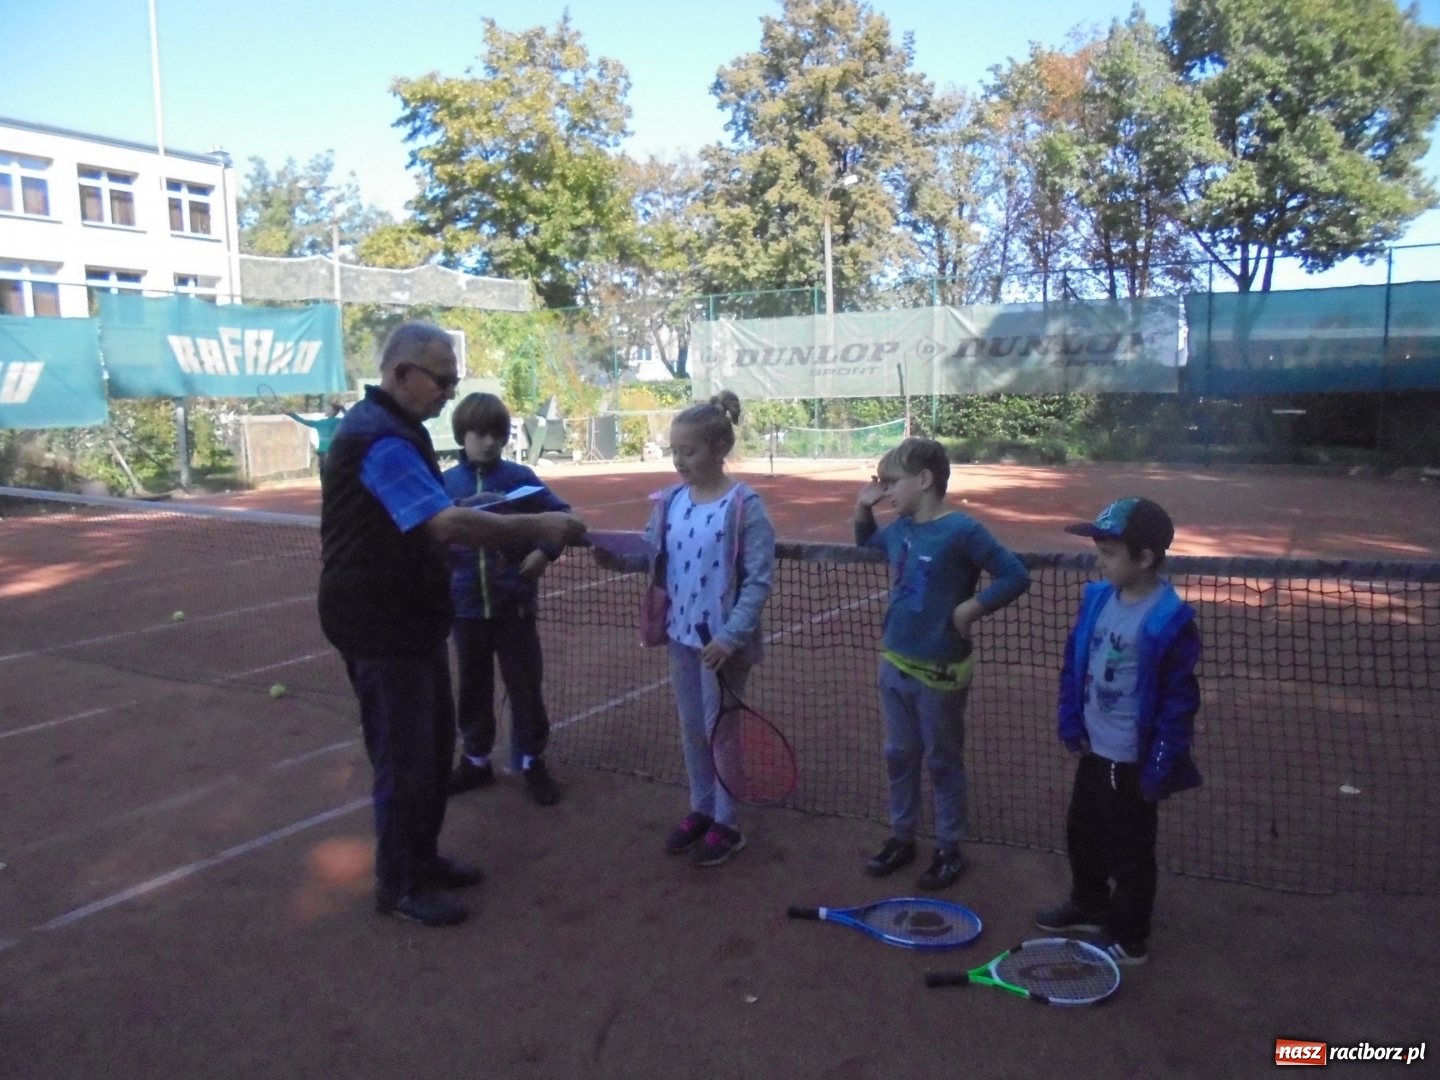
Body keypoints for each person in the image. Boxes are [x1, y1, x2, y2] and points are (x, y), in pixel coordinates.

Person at [318, 322, 587, 928]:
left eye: (453, 382)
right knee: (405, 757)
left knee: (432, 746)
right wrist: (536, 528)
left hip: (409, 619)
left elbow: (436, 513)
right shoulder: (379, 438)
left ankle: (422, 858)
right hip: (378, 622)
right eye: (442, 381)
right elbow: (440, 525)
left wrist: (487, 510)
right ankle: (400, 883)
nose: (448, 392)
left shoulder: (396, 428)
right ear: (403, 375)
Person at [854, 437, 1030, 890]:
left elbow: (1014, 574)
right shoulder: (901, 529)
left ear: (925, 480)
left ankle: (949, 847)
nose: (887, 491)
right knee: (898, 754)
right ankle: (901, 836)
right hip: (894, 661)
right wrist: (863, 509)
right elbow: (868, 542)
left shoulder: (963, 531)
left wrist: (971, 609)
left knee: (942, 760)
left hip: (941, 672)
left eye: (892, 482)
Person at [1035, 497, 1202, 966]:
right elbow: (1076, 662)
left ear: (1144, 558)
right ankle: (1088, 903)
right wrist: (1071, 718)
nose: (1098, 561)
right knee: (1083, 831)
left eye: (1109, 553)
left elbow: (1178, 702)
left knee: (1130, 850)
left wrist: (1160, 764)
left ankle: (1129, 936)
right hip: (1095, 747)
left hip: (1131, 759)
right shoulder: (1099, 598)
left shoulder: (1168, 620)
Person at [645, 391, 775, 867]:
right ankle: (700, 807)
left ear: (719, 449)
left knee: (720, 731)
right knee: (691, 727)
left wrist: (730, 637)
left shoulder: (745, 506)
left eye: (689, 450)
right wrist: (603, 552)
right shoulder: (671, 501)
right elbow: (650, 552)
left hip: (723, 644)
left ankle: (727, 822)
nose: (679, 460)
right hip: (681, 635)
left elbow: (759, 580)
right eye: (675, 450)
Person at [442, 392, 570, 806]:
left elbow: (562, 517)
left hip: (513, 608)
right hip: (465, 610)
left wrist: (543, 553)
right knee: (473, 688)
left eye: (497, 433)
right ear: (462, 435)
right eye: (480, 433)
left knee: (524, 686)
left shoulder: (520, 478)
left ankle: (533, 761)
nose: (489, 442)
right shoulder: (445, 484)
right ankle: (476, 760)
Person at [286, 399, 346, 472]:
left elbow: (350, 417)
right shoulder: (322, 422)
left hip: (329, 452)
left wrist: (292, 415)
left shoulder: (336, 421)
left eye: (328, 408)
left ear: (333, 411)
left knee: (327, 473)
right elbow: (350, 417)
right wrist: (292, 414)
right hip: (325, 452)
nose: (326, 409)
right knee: (329, 473)